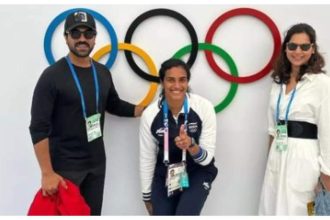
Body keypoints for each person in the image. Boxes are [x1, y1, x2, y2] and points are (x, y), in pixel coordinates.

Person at [29, 10, 144, 215]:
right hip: (64, 168)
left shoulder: (102, 72)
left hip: (96, 164)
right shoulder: (51, 76)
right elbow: (38, 128)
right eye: (75, 34)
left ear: (94, 39)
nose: (82, 39)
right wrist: (47, 173)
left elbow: (114, 104)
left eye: (88, 34)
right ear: (66, 38)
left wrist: (144, 110)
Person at [258, 23, 330, 215]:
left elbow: (328, 132)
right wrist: (270, 158)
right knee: (272, 207)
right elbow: (273, 128)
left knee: (298, 208)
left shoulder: (321, 83)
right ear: (285, 48)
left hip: (304, 157)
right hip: (278, 154)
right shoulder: (277, 82)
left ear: (313, 49)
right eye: (292, 46)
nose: (298, 51)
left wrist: (327, 174)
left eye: (304, 46)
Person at [139, 58, 218, 215]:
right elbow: (147, 157)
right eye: (170, 80)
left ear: (188, 82)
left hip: (198, 171)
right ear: (162, 82)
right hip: (165, 173)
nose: (177, 86)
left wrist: (191, 145)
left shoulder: (204, 107)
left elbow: (207, 159)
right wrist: (147, 196)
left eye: (182, 80)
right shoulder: (150, 114)